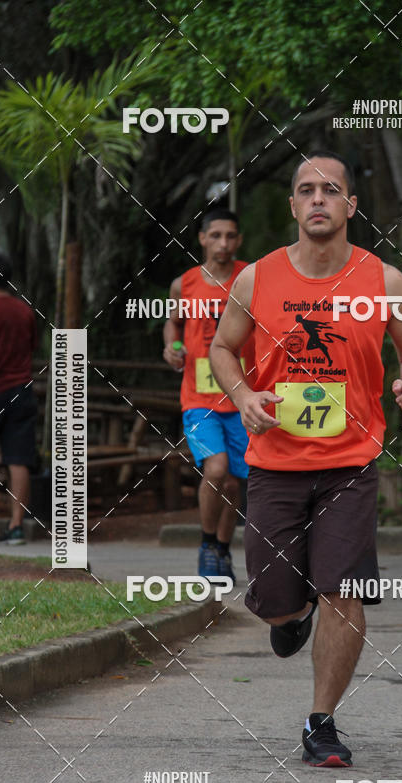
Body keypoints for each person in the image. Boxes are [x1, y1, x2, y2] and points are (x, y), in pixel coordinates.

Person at [210, 151, 402, 767]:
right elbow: (223, 347)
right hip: (276, 466)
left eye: (330, 190)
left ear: (350, 206)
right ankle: (291, 612)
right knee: (277, 599)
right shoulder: (257, 278)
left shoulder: (384, 280)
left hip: (350, 465)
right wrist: (243, 394)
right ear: (292, 206)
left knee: (345, 589)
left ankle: (321, 722)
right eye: (305, 190)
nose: (317, 200)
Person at [163, 208, 250, 583]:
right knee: (215, 469)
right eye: (216, 235)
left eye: (230, 236)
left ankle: (221, 548)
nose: (224, 244)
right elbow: (174, 323)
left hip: (243, 396)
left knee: (234, 481)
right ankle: (205, 543)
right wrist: (174, 347)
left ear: (239, 240)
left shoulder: (251, 278)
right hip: (198, 398)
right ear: (201, 238)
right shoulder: (184, 284)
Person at [0, 246, 37, 545]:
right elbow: (30, 347)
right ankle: (16, 526)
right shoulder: (25, 311)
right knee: (19, 460)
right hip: (20, 392)